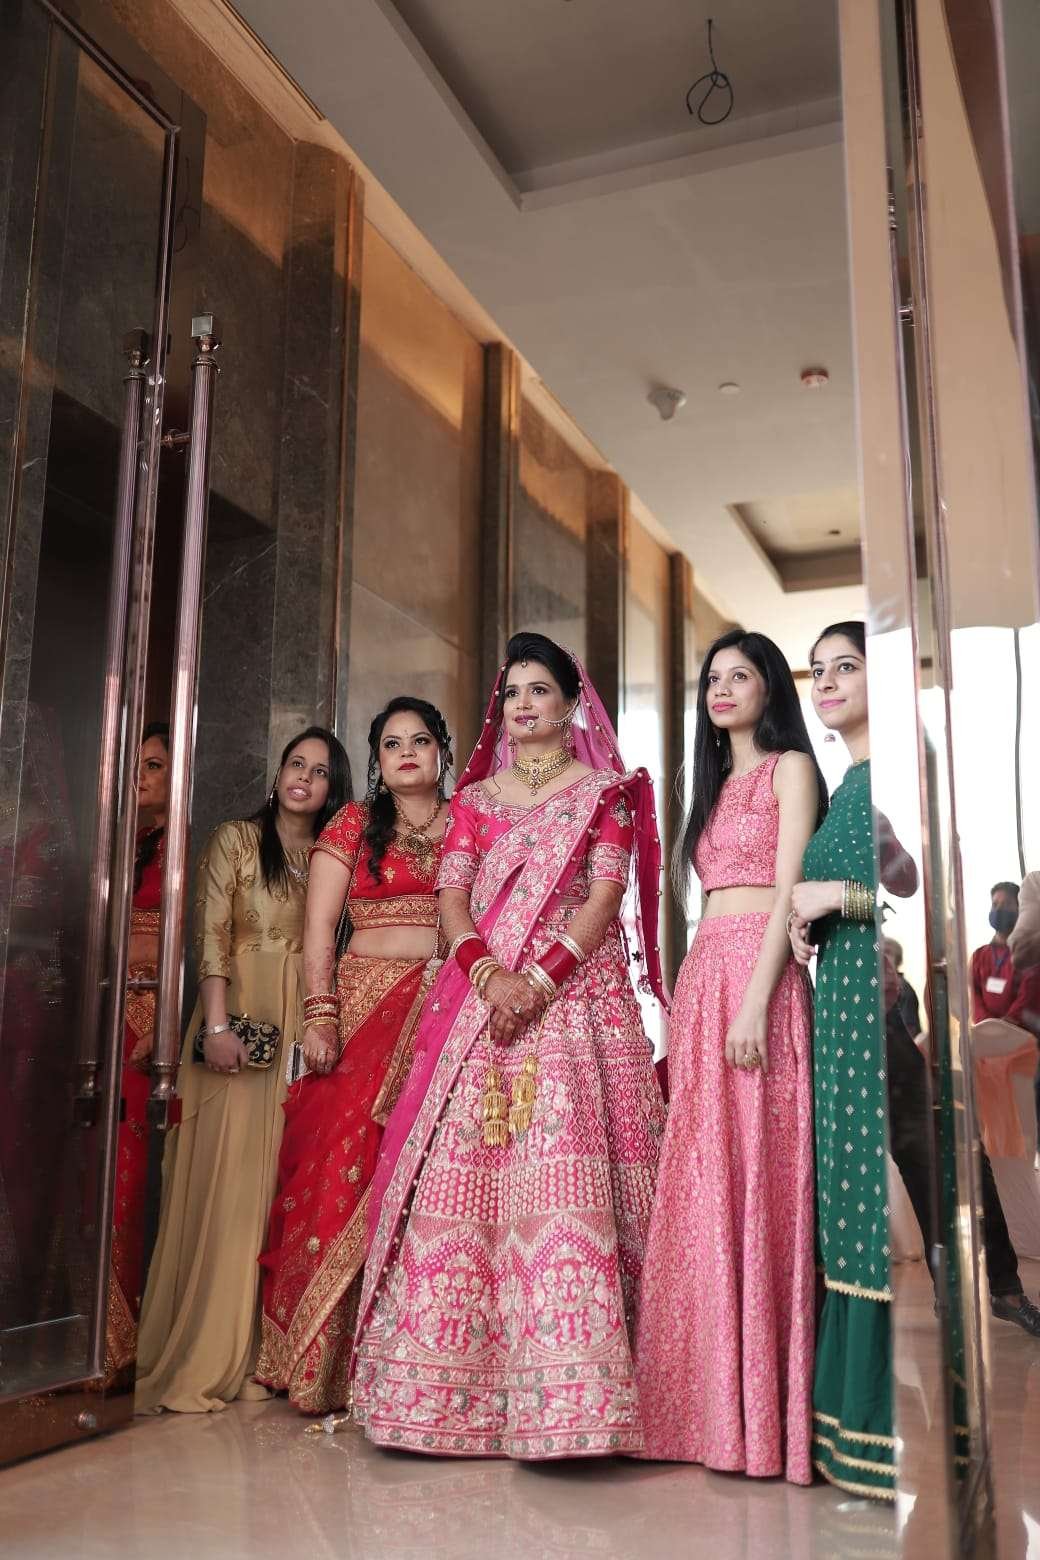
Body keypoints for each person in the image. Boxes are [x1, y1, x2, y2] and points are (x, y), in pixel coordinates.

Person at [351, 631, 668, 1459]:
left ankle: (583, 1394)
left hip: (578, 1009)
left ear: (571, 704)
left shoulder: (605, 794)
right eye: (513, 692)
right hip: (485, 1007)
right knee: (475, 1181)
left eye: (539, 690)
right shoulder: (475, 802)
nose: (523, 705)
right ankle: (452, 1391)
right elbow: (453, 900)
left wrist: (541, 982)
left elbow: (603, 898)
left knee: (566, 1172)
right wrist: (492, 977)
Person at [634, 629, 825, 1484]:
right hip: (705, 975)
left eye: (739, 676)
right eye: (713, 678)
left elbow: (789, 894)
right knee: (705, 1182)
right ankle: (701, 1410)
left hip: (759, 977)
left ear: (769, 688)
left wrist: (754, 997)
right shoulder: (707, 787)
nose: (721, 689)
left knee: (758, 1177)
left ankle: (760, 1419)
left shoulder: (790, 769)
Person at [135, 726, 350, 1414]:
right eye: (296, 764)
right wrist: (218, 1026)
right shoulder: (236, 839)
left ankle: (266, 1355)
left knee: (275, 1189)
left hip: (303, 1023)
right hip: (239, 1020)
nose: (304, 778)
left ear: (332, 789)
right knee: (228, 1185)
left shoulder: (330, 853)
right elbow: (211, 937)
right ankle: (206, 1348)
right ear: (277, 772)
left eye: (320, 771)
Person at [256, 698, 452, 1416]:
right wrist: (320, 1014)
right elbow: (319, 931)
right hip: (365, 1007)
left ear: (442, 751)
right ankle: (316, 1362)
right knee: (338, 1169)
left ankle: (404, 1359)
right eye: (391, 744)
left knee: (432, 1178)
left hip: (443, 1011)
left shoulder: (470, 822)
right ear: (377, 760)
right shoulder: (351, 825)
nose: (406, 753)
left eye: (420, 741)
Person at [789, 620, 916, 1500]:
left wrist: (840, 894)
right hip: (833, 1010)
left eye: (847, 666)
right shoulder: (844, 788)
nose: (828, 682)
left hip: (873, 1022)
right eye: (819, 671)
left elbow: (920, 893)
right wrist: (810, 922)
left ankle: (874, 1430)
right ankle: (841, 1429)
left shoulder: (899, 773)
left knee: (866, 1204)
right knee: (841, 1204)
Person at [106, 722, 169, 1376]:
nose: (140, 775)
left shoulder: (185, 845)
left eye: (154, 764)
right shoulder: (123, 841)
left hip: (151, 1015)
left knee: (132, 1170)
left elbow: (194, 938)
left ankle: (124, 1344)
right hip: (104, 1012)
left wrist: (168, 1019)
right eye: (136, 763)